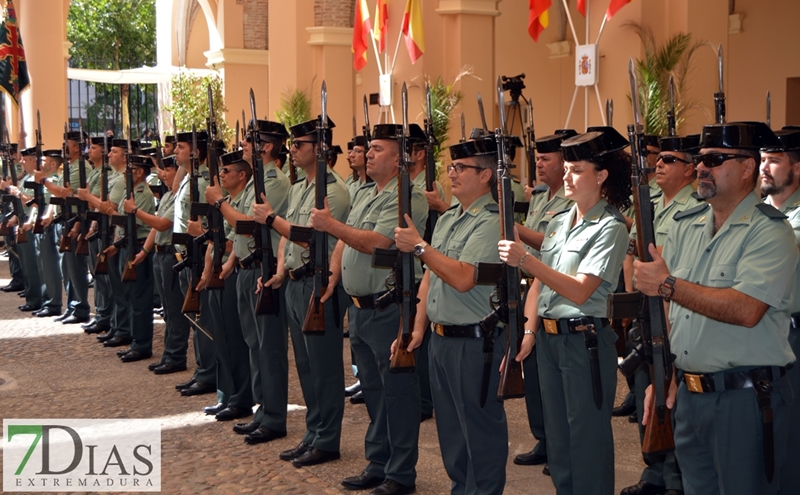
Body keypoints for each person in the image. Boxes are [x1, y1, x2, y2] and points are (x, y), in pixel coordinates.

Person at [634, 122, 797, 495]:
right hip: (690, 396)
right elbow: (675, 314)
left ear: (747, 168)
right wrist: (666, 375)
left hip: (742, 399)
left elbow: (747, 309)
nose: (701, 167)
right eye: (700, 159)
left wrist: (668, 284)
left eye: (715, 159)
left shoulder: (770, 231)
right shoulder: (687, 227)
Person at [499, 129, 631, 495]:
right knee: (558, 441)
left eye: (577, 170)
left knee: (587, 440)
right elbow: (539, 285)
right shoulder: (559, 221)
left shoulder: (611, 227)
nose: (567, 177)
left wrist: (525, 260)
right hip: (550, 340)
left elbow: (579, 289)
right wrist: (529, 332)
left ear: (601, 176)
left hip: (583, 341)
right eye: (567, 169)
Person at [314, 124, 427, 495]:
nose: (369, 154)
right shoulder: (365, 191)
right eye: (370, 148)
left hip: (388, 305)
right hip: (361, 308)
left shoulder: (406, 197)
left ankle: (400, 473)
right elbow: (344, 241)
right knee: (375, 392)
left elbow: (378, 242)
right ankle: (379, 462)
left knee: (397, 393)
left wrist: (331, 225)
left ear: (398, 159)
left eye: (378, 149)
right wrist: (335, 273)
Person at [394, 135, 506, 494]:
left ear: (485, 175)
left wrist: (419, 246)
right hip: (441, 339)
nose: (451, 173)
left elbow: (462, 278)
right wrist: (417, 327)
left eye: (461, 168)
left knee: (480, 433)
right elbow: (430, 276)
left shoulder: (492, 222)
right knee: (452, 435)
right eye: (452, 166)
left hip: (474, 342)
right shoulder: (449, 218)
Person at [253, 116, 350, 467]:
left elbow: (311, 237)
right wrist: (280, 271)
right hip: (294, 281)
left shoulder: (334, 191)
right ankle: (313, 432)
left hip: (318, 283)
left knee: (324, 368)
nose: (292, 150)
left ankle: (327, 439)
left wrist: (270, 219)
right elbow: (286, 238)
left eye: (299, 144)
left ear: (319, 148)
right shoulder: (298, 187)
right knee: (306, 367)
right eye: (292, 144)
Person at [619, 134, 701, 495]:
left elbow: (674, 263)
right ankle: (653, 471)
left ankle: (675, 478)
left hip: (672, 307)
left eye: (670, 159)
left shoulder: (695, 207)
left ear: (689, 170)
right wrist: (632, 297)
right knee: (647, 390)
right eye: (660, 158)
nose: (661, 164)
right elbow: (632, 252)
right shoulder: (649, 203)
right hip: (645, 308)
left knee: (671, 392)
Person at [511, 130, 576, 470]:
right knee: (534, 372)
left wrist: (515, 230)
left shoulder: (571, 199)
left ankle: (561, 444)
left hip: (556, 286)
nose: (538, 164)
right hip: (533, 286)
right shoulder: (539, 195)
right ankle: (545, 438)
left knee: (559, 380)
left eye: (545, 158)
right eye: (537, 158)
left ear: (563, 162)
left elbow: (548, 243)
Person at [760, 127, 800, 495]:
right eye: (761, 160)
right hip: (763, 330)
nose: (764, 167)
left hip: (794, 332)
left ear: (797, 168)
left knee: (791, 433)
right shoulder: (757, 215)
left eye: (774, 160)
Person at [34, 132, 93, 324]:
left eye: (67, 144)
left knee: (75, 267)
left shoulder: (80, 168)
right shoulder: (68, 166)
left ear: (77, 147)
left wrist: (44, 180)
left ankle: (81, 307)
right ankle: (72, 306)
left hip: (74, 220)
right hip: (63, 220)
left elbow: (64, 193)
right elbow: (59, 194)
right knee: (66, 267)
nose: (63, 148)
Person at [110, 153, 157, 362]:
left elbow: (134, 224)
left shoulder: (143, 194)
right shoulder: (129, 192)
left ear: (138, 172)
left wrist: (114, 215)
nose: (125, 173)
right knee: (129, 295)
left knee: (140, 299)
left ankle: (142, 345)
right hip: (127, 245)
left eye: (130, 170)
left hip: (138, 246)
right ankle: (134, 340)